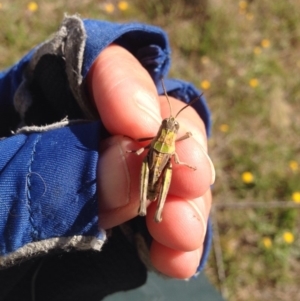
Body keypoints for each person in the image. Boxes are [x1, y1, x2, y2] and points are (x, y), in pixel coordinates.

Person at [0, 15, 215, 300]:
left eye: (171, 127)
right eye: (168, 126)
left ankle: (150, 209)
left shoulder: (175, 139)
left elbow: (175, 154)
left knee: (170, 178)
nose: (169, 127)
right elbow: (141, 144)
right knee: (141, 166)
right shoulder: (158, 135)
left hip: (159, 176)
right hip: (147, 172)